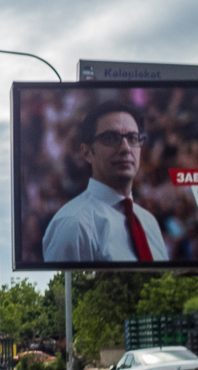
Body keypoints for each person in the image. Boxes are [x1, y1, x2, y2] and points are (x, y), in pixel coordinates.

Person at [41, 101, 168, 263]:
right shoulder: (74, 224)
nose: (125, 148)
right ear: (87, 152)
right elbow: (65, 288)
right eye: (110, 138)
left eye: (133, 138)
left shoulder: (148, 222)